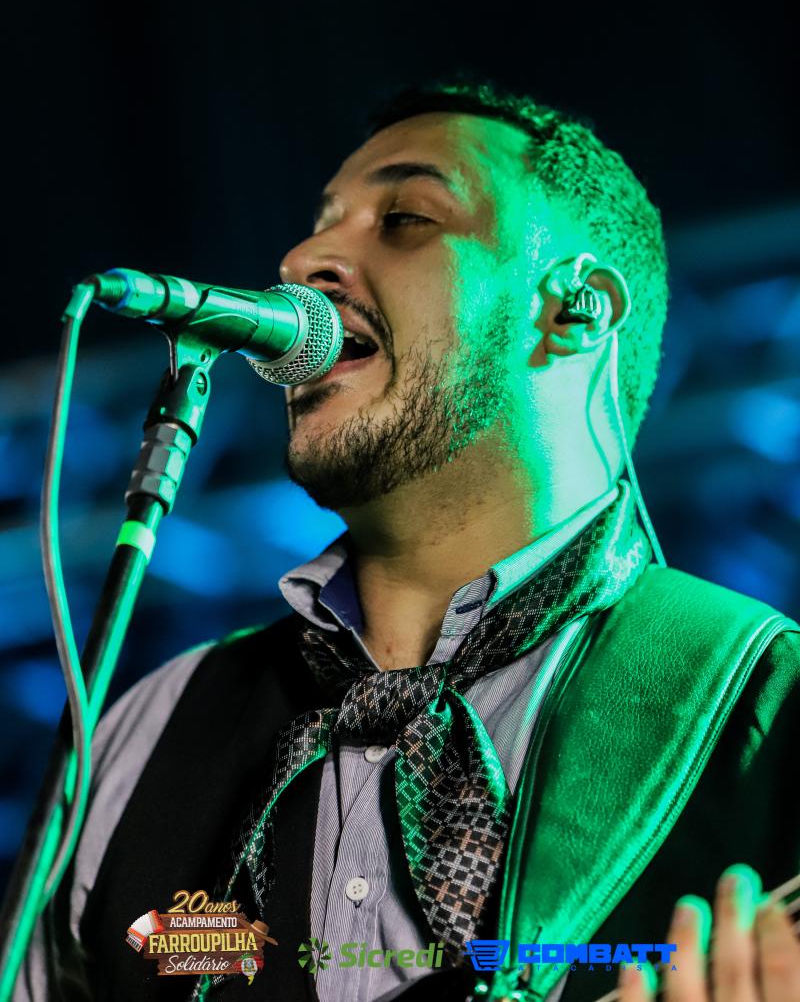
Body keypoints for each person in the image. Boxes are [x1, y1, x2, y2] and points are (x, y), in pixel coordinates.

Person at [15, 81, 800, 1002]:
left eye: (408, 219)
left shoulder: (763, 700)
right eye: (320, 225)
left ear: (576, 311)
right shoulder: (142, 734)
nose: (301, 259)